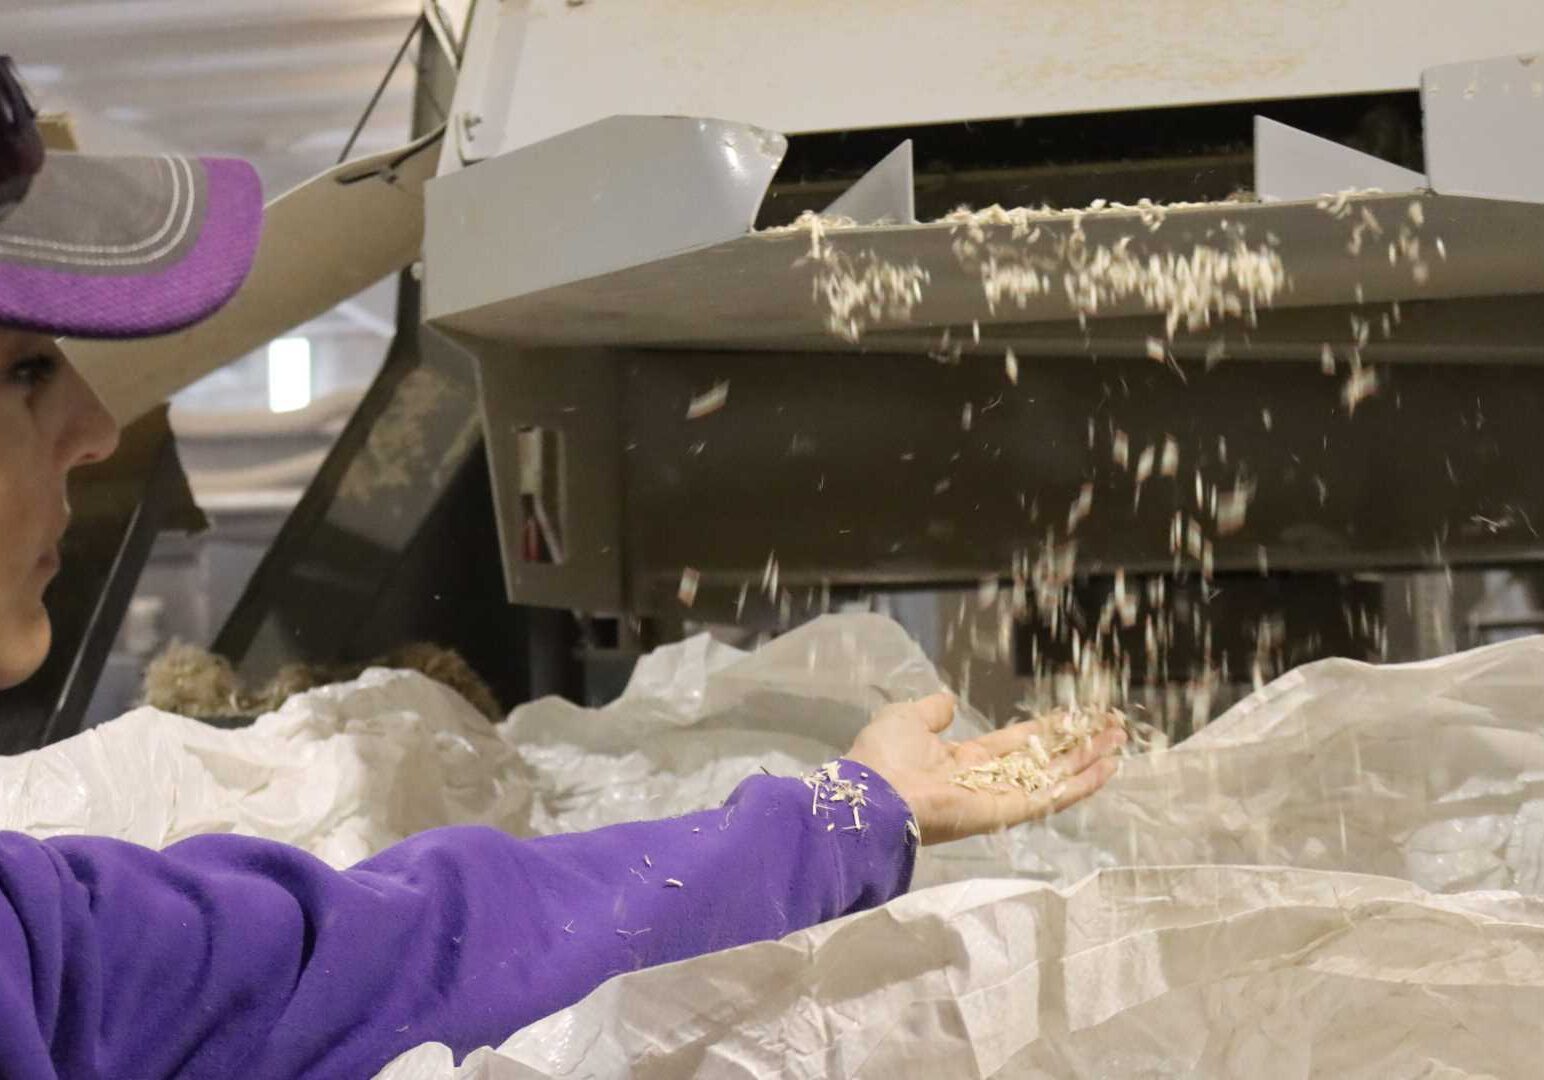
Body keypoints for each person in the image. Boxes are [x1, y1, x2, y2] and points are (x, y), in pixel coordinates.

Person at [0, 57, 1125, 1078]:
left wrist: (850, 813)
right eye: (21, 372)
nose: (95, 433)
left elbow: (391, 956)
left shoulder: (34, 937)